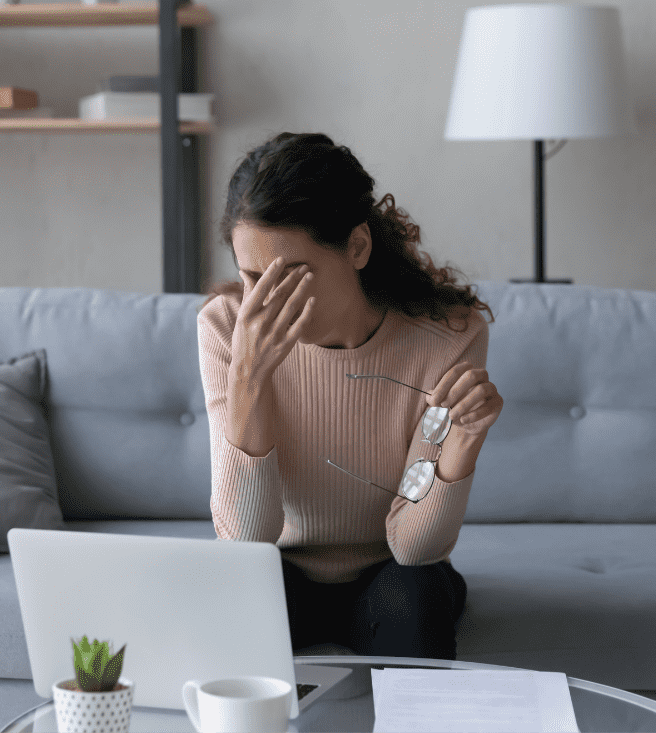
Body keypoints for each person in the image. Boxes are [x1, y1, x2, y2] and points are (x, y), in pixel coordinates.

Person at [196, 132, 504, 660]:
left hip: (394, 574)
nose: (267, 304)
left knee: (418, 597)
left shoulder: (447, 337)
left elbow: (414, 547)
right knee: (231, 605)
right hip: (276, 569)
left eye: (292, 277)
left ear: (357, 246)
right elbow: (245, 539)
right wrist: (250, 374)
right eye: (252, 278)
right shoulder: (227, 330)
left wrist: (459, 450)